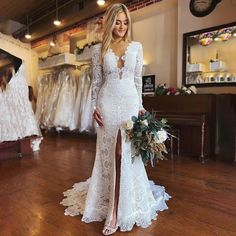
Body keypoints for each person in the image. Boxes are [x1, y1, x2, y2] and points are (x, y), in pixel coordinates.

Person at [61, 3, 170, 235]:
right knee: (109, 153)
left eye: (125, 22)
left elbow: (138, 81)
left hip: (130, 105)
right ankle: (111, 208)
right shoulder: (98, 49)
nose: (122, 26)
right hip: (107, 105)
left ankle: (122, 205)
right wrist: (93, 107)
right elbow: (96, 84)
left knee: (125, 154)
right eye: (117, 21)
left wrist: (140, 108)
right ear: (110, 22)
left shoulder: (137, 47)